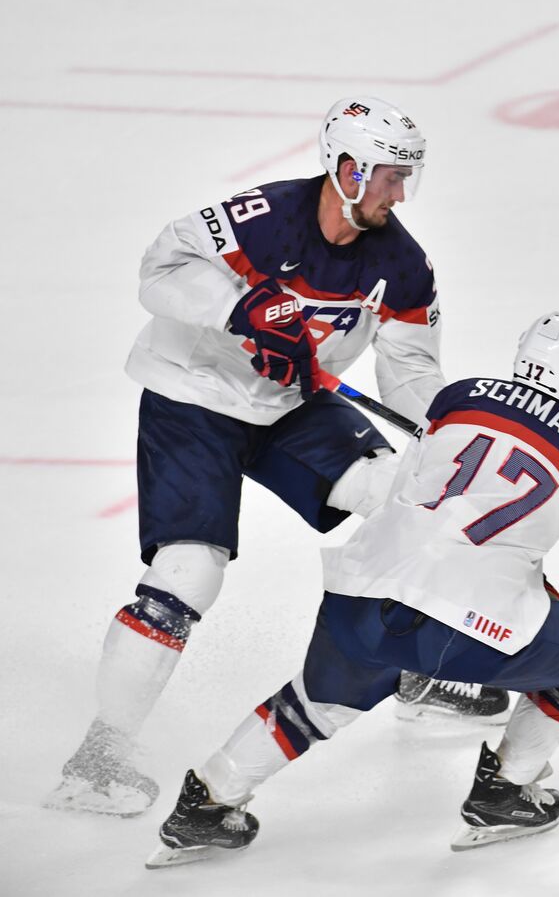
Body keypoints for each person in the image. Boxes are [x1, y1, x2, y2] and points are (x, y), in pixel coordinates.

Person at [48, 96, 505, 818]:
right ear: (348, 170)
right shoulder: (265, 218)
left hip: (290, 403)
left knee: (406, 498)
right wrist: (243, 307)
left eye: (404, 178)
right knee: (188, 572)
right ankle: (98, 757)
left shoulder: (403, 265)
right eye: (390, 177)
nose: (399, 194)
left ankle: (417, 672)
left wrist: (450, 440)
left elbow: (412, 372)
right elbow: (159, 269)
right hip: (195, 396)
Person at [145, 313, 559, 866]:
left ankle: (207, 803)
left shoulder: (457, 398)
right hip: (466, 623)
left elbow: (409, 498)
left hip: (363, 589)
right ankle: (506, 791)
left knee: (316, 702)